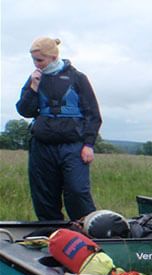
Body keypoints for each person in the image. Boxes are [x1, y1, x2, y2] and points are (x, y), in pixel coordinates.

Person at [16, 37, 101, 221]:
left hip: (73, 146)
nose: (36, 64)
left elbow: (93, 114)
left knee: (77, 191)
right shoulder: (34, 79)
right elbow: (25, 111)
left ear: (53, 57)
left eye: (40, 60)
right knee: (44, 196)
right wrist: (33, 88)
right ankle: (52, 235)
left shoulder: (77, 78)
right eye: (33, 60)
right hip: (42, 147)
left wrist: (89, 144)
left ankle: (86, 232)